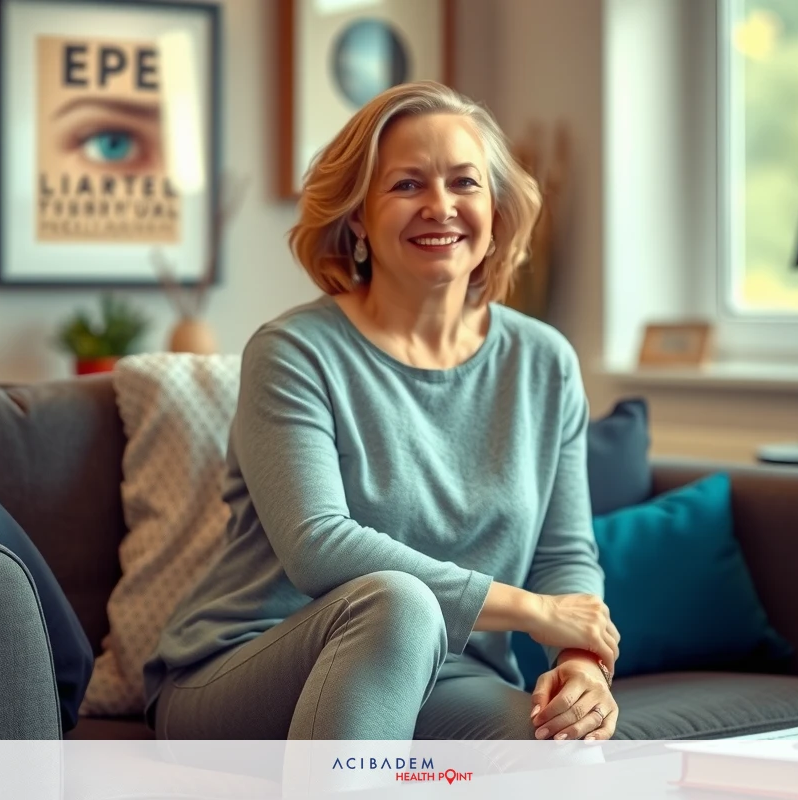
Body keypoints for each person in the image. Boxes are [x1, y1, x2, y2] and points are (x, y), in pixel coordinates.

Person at [143, 81, 620, 744]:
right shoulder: (294, 352)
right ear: (358, 219)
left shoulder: (544, 362)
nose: (440, 206)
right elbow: (318, 547)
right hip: (251, 667)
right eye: (406, 185)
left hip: (451, 677)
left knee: (563, 746)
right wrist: (533, 611)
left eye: (464, 182)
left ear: (496, 209)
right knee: (400, 603)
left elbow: (565, 553)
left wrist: (582, 663)